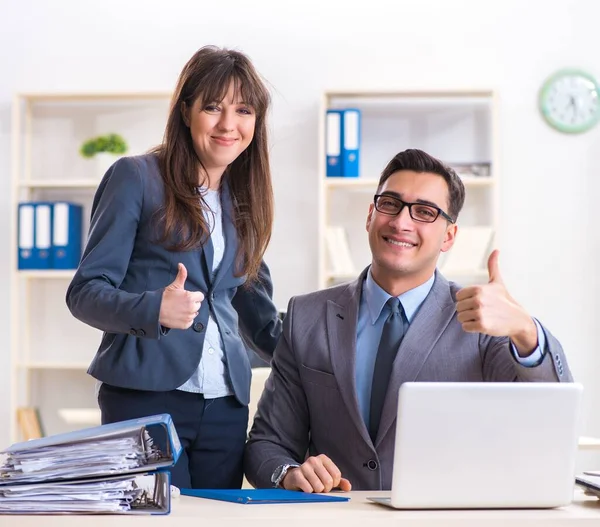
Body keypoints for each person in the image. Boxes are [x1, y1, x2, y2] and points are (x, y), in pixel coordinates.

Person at [244, 148, 572, 492]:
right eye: (390, 204)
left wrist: (525, 329)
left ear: (448, 237)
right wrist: (290, 473)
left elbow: (552, 416)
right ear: (371, 215)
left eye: (425, 212)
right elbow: (267, 445)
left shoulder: (480, 319)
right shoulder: (307, 316)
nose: (401, 222)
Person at [66, 46, 282, 489]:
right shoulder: (137, 177)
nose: (229, 124)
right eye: (213, 107)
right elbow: (86, 291)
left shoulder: (243, 200)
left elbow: (256, 312)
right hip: (145, 399)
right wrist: (154, 309)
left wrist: (322, 358)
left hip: (226, 406)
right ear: (186, 112)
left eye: (243, 110)